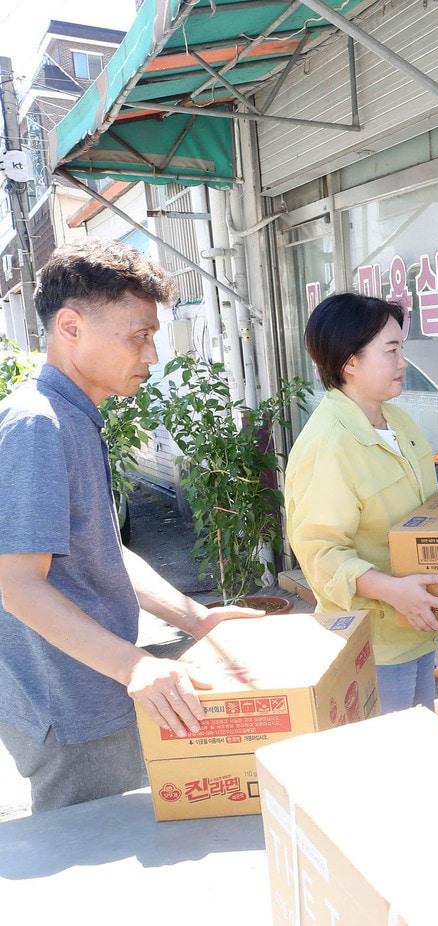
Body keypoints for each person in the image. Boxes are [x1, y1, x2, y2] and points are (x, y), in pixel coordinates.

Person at [0, 240, 261, 812]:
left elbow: (101, 549)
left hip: (95, 691)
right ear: (70, 326)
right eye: (138, 336)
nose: (151, 355)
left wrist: (198, 618)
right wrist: (135, 664)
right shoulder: (38, 425)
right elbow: (16, 583)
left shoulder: (72, 416)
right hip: (72, 706)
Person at [286, 293, 438, 713]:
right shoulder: (329, 444)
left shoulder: (396, 420)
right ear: (350, 362)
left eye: (403, 348)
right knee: (389, 764)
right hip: (374, 642)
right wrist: (393, 592)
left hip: (416, 628)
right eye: (392, 350)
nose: (403, 362)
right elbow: (321, 554)